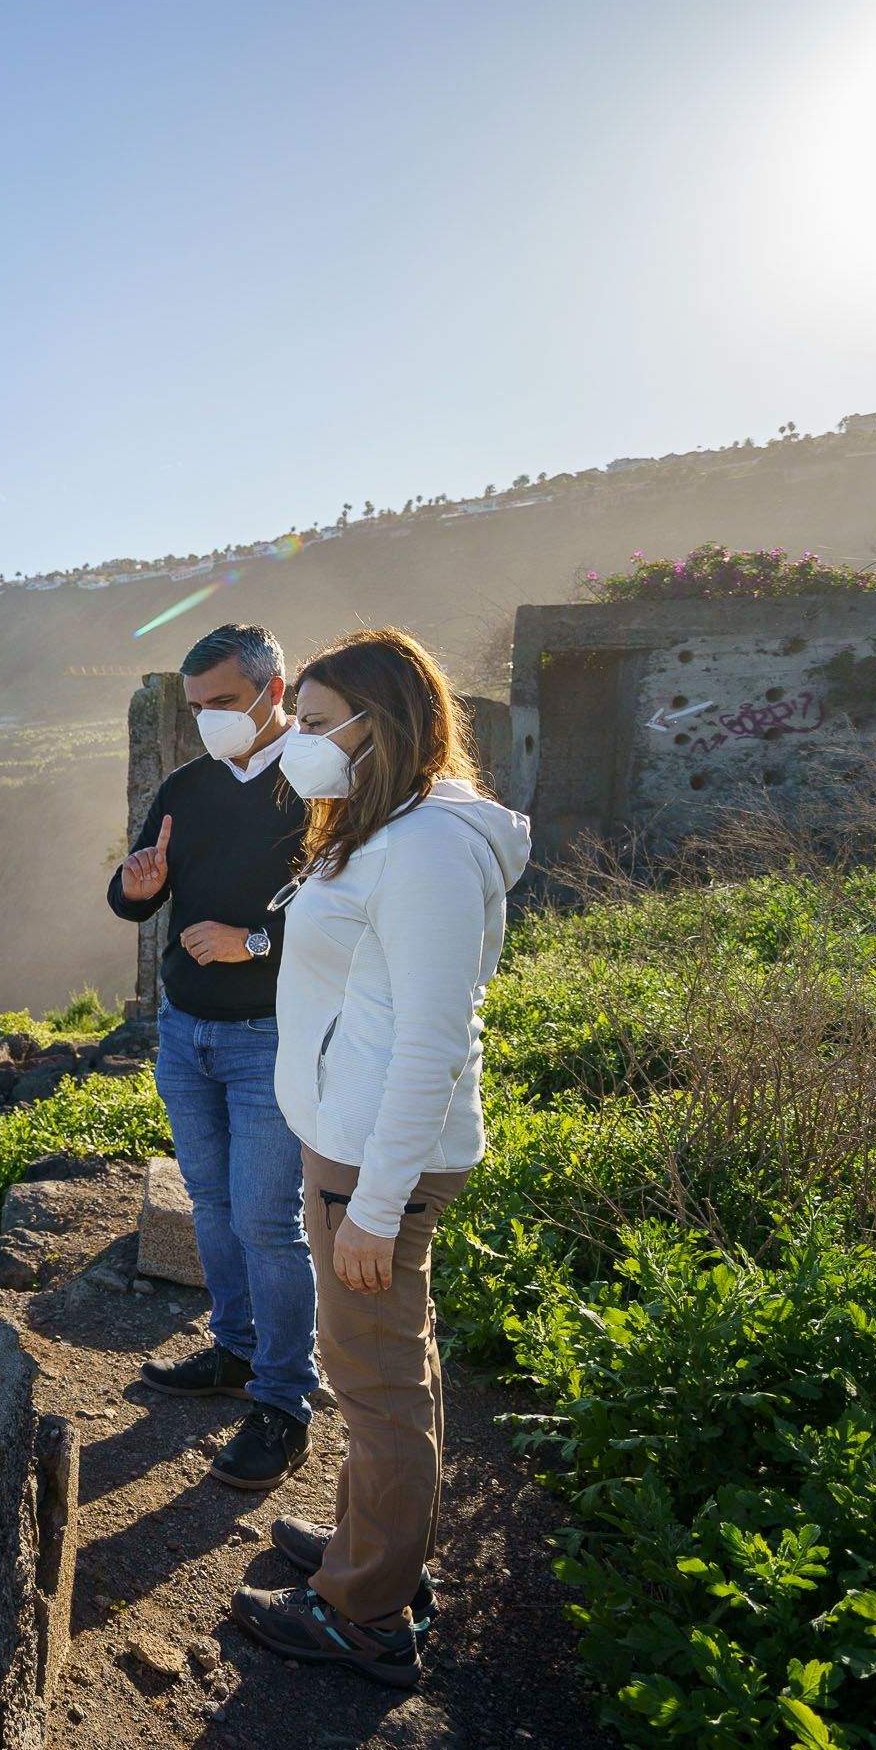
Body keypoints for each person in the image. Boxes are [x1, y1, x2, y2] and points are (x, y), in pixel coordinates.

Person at [230, 627, 530, 1689]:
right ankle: (376, 1543)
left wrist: (375, 1203)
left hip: (374, 1158)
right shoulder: (394, 828)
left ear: (381, 724)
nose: (296, 742)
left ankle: (364, 1612)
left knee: (375, 1380)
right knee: (388, 1367)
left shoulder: (432, 848)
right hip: (354, 1145)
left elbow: (433, 1041)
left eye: (313, 723)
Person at [105, 623, 315, 1492]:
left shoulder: (323, 781)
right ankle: (232, 1350)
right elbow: (128, 897)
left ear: (274, 690)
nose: (208, 722)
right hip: (184, 1032)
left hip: (274, 1036)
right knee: (211, 1203)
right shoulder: (186, 784)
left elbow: (353, 915)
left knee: (270, 1221)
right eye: (195, 709)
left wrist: (256, 942)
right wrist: (136, 889)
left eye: (223, 703)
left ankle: (284, 1402)